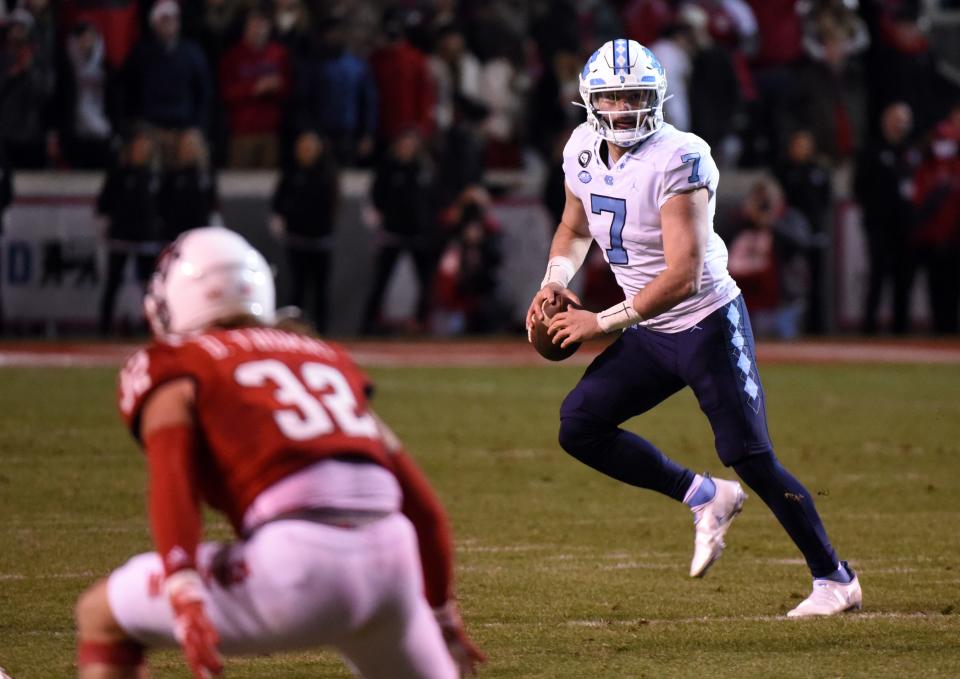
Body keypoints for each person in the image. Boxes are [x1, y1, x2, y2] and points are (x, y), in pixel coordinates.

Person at [526, 39, 861, 617]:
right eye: (614, 97)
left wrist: (597, 324)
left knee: (749, 454)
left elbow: (681, 276)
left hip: (705, 322)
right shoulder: (580, 147)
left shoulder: (679, 155)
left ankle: (835, 579)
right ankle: (703, 495)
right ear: (590, 103)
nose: (626, 107)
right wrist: (554, 278)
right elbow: (573, 225)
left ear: (657, 98)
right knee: (579, 426)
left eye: (637, 95)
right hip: (651, 330)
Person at [74, 226, 485, 678]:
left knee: (102, 617)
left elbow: (173, 476)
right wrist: (442, 614)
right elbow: (423, 508)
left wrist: (183, 581)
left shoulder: (177, 363)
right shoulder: (321, 356)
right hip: (392, 562)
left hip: (299, 564)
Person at [270, 130, 339, 332]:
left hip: (320, 239)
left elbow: (333, 204)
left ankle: (323, 331)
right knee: (297, 289)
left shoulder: (327, 172)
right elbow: (279, 200)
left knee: (320, 290)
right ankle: (294, 331)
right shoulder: (291, 172)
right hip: (296, 239)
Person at [95, 130, 162, 336]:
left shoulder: (156, 175)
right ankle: (104, 327)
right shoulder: (119, 173)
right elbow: (104, 203)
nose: (141, 151)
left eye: (145, 147)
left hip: (147, 236)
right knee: (113, 281)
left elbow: (165, 205)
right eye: (137, 146)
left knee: (149, 286)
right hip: (121, 235)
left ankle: (149, 326)